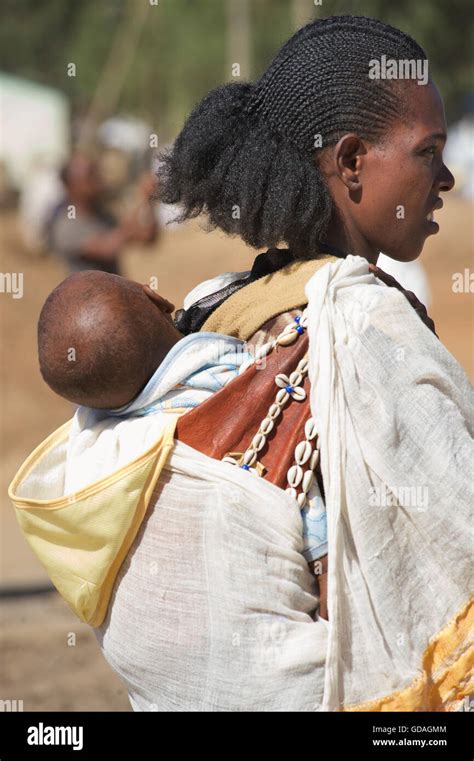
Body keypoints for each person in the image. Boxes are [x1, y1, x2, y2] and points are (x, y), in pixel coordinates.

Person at [10, 16, 472, 711]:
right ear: (350, 162)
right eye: (428, 150)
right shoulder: (364, 321)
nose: (446, 175)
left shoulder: (215, 303)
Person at [47, 154, 157, 275]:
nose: (99, 180)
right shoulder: (66, 225)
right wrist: (142, 199)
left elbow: (147, 237)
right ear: (71, 186)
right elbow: (109, 248)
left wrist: (149, 202)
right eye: (91, 176)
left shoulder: (104, 216)